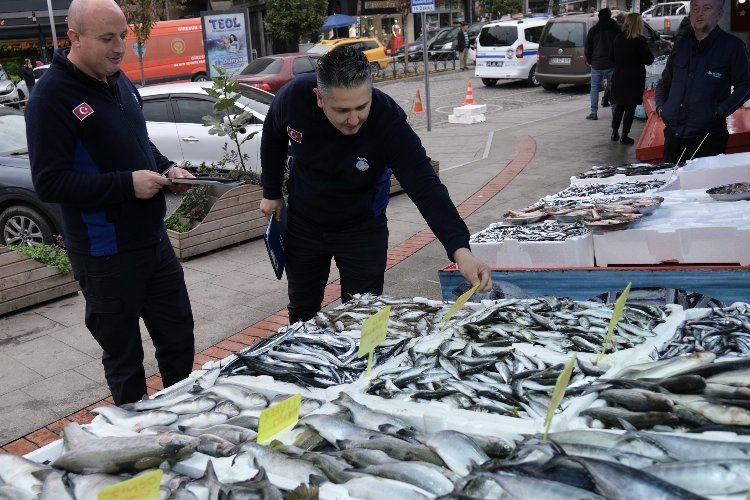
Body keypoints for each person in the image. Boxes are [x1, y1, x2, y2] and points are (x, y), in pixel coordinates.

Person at [25, 0, 196, 406]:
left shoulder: (119, 80)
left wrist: (168, 168)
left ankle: (184, 421)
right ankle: (135, 441)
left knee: (179, 341)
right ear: (75, 38)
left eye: (123, 35)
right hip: (105, 255)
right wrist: (125, 185)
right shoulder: (50, 98)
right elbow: (49, 183)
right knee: (124, 361)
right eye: (107, 38)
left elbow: (140, 144)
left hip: (154, 242)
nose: (119, 47)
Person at [259, 45, 491, 324]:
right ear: (319, 98)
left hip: (362, 227)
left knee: (363, 313)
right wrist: (271, 192)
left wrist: (459, 249)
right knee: (302, 308)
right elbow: (272, 134)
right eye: (342, 110)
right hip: (305, 221)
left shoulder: (387, 119)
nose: (354, 120)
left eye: (361, 106)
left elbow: (424, 184)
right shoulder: (294, 98)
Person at [655, 0, 750, 163]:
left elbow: (745, 85)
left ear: (720, 13)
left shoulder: (733, 47)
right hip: (673, 135)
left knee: (701, 187)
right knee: (671, 185)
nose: (700, 13)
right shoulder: (680, 46)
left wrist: (719, 111)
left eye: (707, 8)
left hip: (708, 138)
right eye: (695, 8)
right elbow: (664, 82)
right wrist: (661, 108)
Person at [610, 13, 654, 145]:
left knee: (619, 106)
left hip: (619, 77)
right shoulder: (640, 40)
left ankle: (614, 133)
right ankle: (624, 135)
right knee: (630, 107)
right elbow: (649, 60)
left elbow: (611, 58)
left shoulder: (618, 38)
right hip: (634, 79)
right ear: (638, 24)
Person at [584, 8, 620, 120]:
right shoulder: (617, 29)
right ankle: (615, 111)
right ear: (610, 16)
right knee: (613, 88)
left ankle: (593, 112)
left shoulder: (593, 30)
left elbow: (587, 48)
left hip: (597, 64)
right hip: (612, 64)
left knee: (594, 89)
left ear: (599, 17)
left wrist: (590, 61)